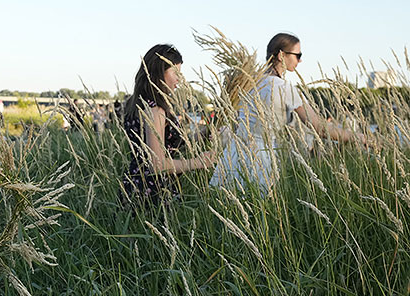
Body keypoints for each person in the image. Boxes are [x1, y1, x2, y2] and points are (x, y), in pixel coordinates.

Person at [209, 33, 366, 193]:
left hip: (234, 154)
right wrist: (357, 137)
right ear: (281, 55)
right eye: (298, 55)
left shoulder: (250, 83)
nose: (300, 60)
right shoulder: (284, 88)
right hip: (260, 158)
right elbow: (320, 128)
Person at [121, 44, 213, 205]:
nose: (179, 79)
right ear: (159, 72)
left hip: (134, 185)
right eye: (175, 72)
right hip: (152, 193)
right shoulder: (156, 110)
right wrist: (198, 162)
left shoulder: (136, 104)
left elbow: (170, 144)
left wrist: (205, 132)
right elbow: (157, 164)